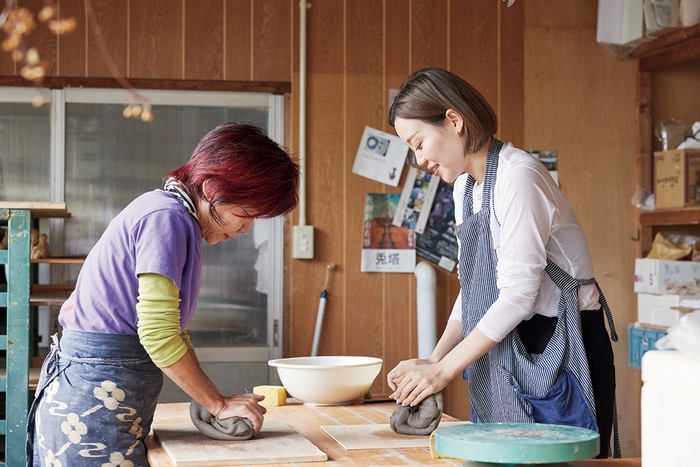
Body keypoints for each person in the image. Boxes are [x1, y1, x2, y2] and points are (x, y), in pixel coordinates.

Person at [26, 122, 300, 466]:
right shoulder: (166, 218)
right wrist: (217, 404)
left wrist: (208, 395)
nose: (245, 229)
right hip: (89, 402)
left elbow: (172, 331)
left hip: (100, 395)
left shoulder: (175, 217)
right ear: (214, 188)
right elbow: (157, 335)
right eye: (245, 215)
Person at [386, 68, 618, 458]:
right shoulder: (466, 188)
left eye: (419, 142)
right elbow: (475, 288)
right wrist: (434, 358)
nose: (419, 158)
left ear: (454, 121)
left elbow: (518, 296)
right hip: (507, 340)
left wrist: (442, 373)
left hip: (562, 340)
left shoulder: (519, 177)